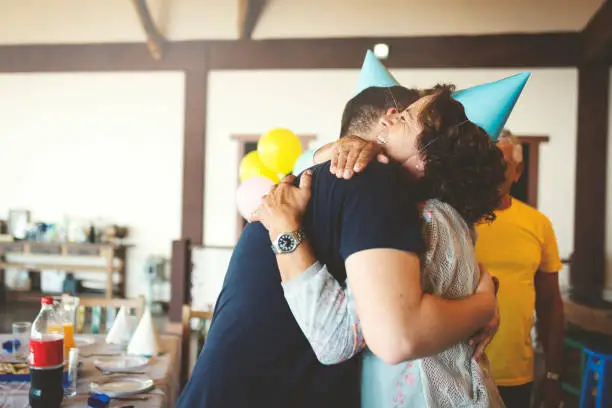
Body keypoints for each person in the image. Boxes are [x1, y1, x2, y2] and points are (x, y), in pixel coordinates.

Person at [176, 81, 499, 407]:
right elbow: (368, 338)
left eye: (406, 115)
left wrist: (482, 294)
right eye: (399, 111)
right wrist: (484, 304)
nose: (393, 116)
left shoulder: (352, 185)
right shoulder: (371, 183)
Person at [475, 131, 565, 408]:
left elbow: (550, 304)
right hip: (461, 369)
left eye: (501, 166)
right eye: (485, 164)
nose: (492, 173)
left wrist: (552, 374)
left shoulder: (538, 224)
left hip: (516, 374)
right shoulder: (454, 218)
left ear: (518, 171)